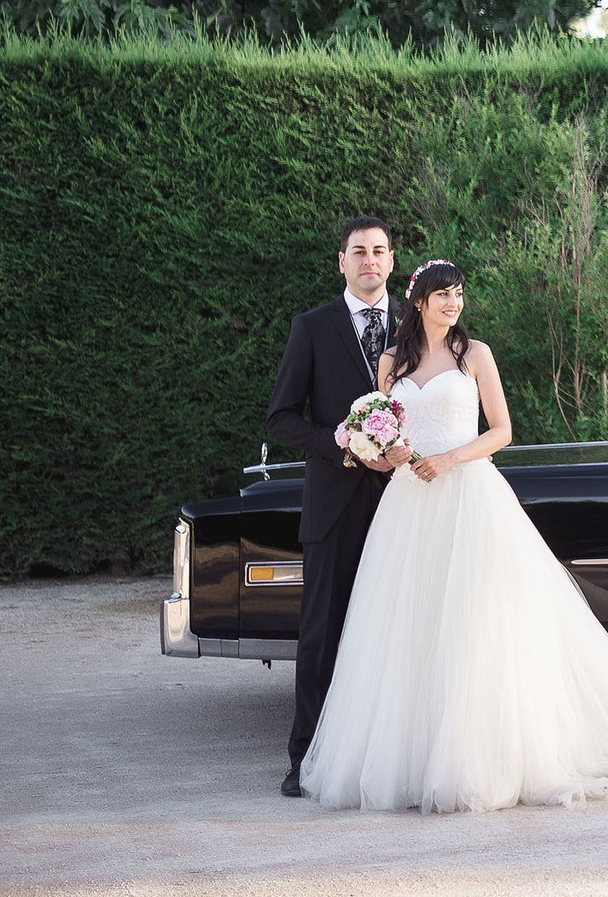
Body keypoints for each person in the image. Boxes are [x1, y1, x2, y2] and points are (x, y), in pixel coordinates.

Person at [299, 258, 608, 812]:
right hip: (408, 504)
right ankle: (414, 761)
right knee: (410, 625)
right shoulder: (391, 361)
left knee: (475, 624)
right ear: (419, 301)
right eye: (443, 295)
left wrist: (449, 459)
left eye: (459, 294)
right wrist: (385, 451)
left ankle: (477, 758)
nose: (454, 303)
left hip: (469, 495)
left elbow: (502, 431)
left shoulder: (475, 354)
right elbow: (390, 430)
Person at [264, 216, 409, 798]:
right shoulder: (312, 327)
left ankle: (393, 757)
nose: (370, 260)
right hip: (334, 505)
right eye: (359, 251)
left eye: (379, 250)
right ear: (342, 262)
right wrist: (343, 443)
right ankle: (306, 760)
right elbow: (281, 418)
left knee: (402, 630)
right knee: (322, 634)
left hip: (407, 504)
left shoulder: (418, 323)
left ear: (392, 260)